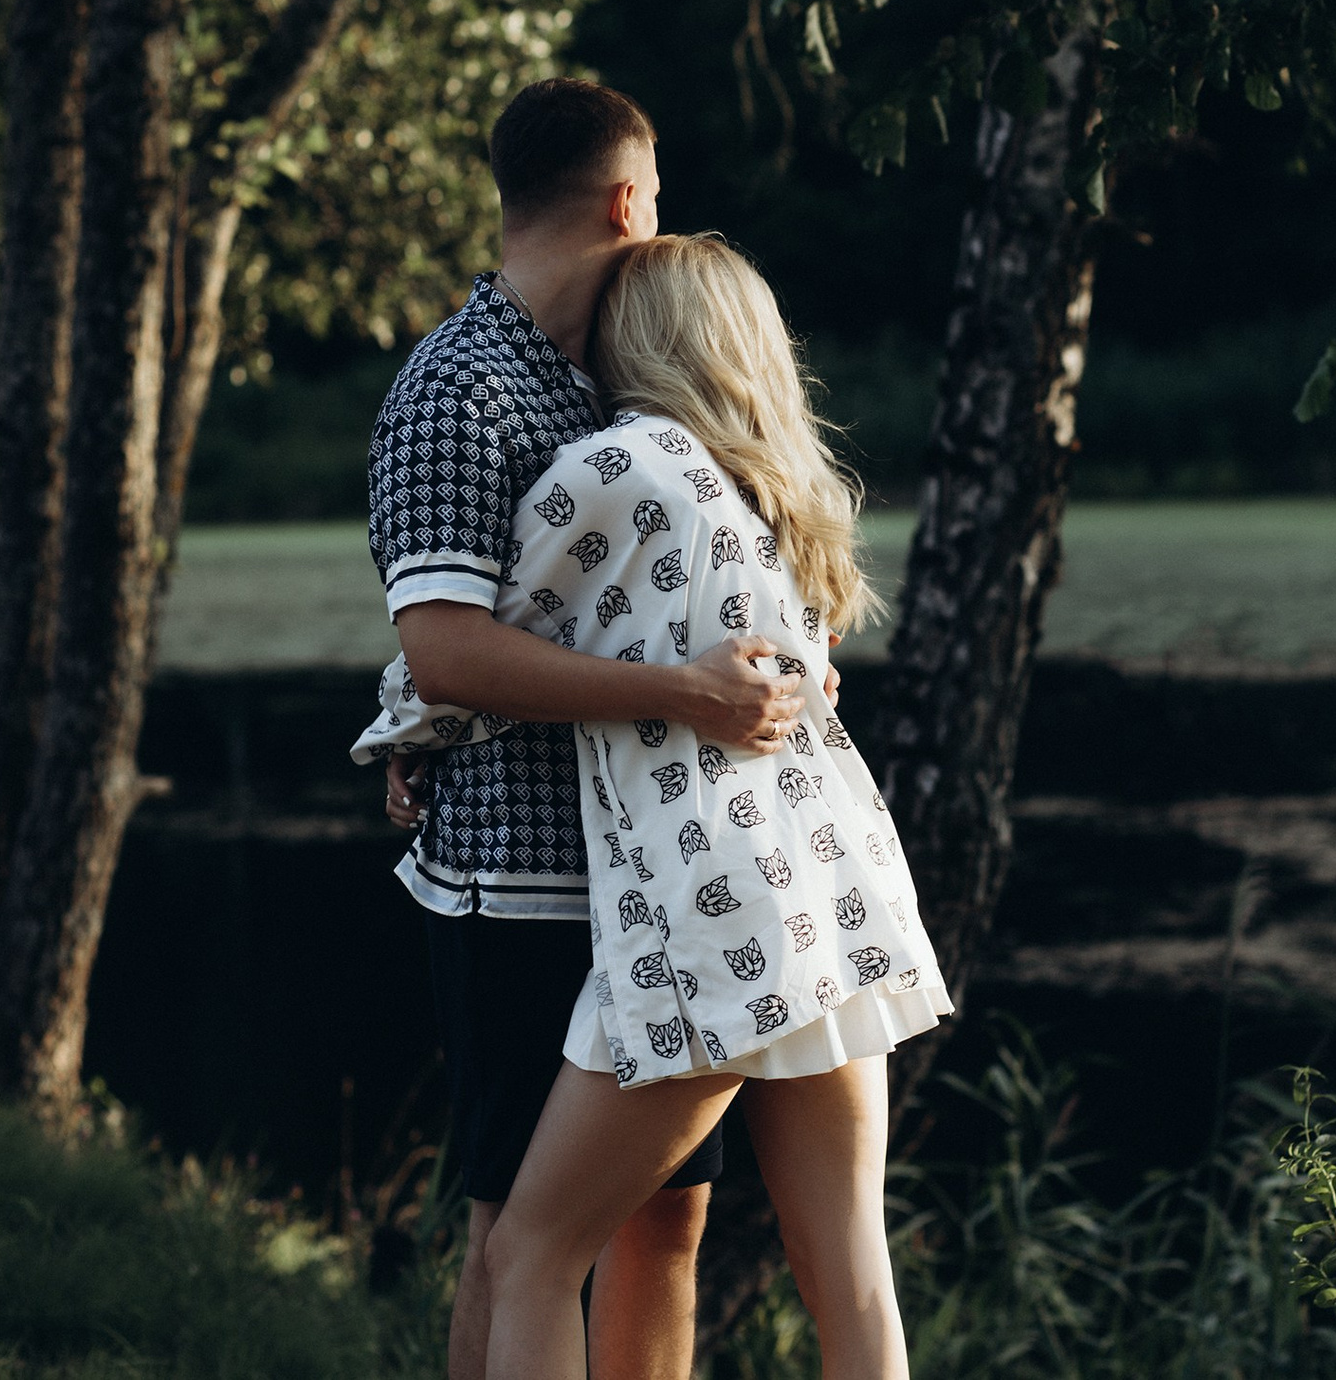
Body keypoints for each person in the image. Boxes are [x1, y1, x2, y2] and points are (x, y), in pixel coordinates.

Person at [358, 233, 951, 1380]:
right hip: (835, 892)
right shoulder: (783, 492)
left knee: (532, 1250)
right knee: (851, 1275)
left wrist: (409, 733)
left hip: (713, 912)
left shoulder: (620, 468)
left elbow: (478, 640)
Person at [366, 79, 820, 1380]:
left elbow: (524, 615)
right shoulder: (459, 385)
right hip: (522, 882)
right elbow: (442, 640)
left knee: (667, 1214)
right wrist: (684, 690)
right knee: (518, 1227)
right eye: (660, 197)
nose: (662, 219)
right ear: (629, 199)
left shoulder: (611, 382)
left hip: (663, 869)